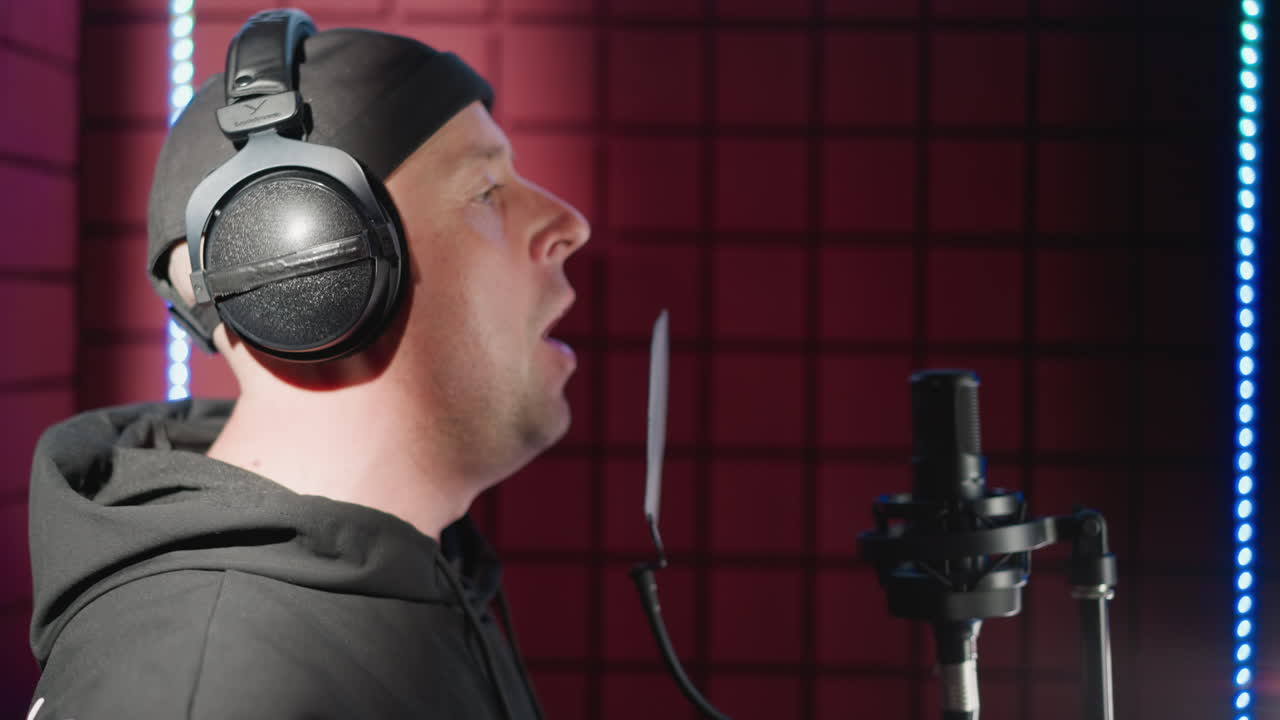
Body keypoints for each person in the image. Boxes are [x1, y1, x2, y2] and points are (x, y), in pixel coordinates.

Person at [25, 11, 588, 720]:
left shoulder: (419, 569)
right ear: (305, 270)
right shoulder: (207, 695)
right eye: (485, 190)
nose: (571, 224)